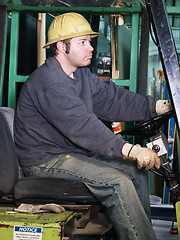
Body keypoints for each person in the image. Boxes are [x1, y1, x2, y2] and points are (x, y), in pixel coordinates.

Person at [14, 12, 172, 239]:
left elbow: (113, 100)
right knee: (118, 183)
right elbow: (83, 126)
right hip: (44, 160)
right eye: (83, 42)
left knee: (134, 172)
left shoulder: (80, 75)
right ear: (61, 46)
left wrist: (158, 106)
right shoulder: (48, 81)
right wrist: (130, 149)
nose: (91, 47)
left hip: (70, 153)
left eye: (89, 41)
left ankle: (139, 232)